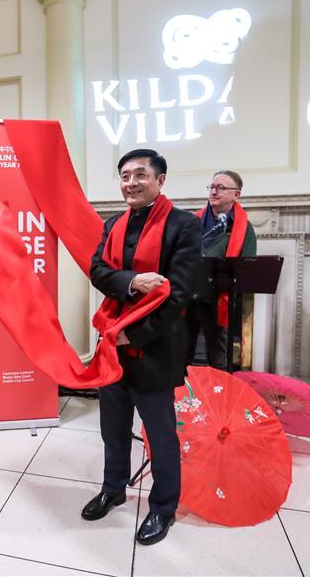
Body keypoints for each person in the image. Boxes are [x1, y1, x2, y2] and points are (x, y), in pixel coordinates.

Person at [85, 149, 201, 545]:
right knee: (112, 427)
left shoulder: (184, 225)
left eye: (140, 174)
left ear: (160, 180)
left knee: (160, 434)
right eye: (124, 176)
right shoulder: (113, 224)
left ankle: (163, 508)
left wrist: (134, 335)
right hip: (112, 345)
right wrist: (133, 281)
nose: (130, 183)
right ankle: (113, 488)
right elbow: (98, 270)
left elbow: (179, 293)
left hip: (154, 346)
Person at [186, 170, 257, 370]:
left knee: (218, 360)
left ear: (236, 194)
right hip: (188, 299)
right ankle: (183, 391)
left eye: (221, 187)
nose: (214, 191)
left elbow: (247, 268)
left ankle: (218, 390)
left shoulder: (244, 228)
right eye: (212, 187)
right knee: (181, 356)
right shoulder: (192, 223)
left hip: (219, 302)